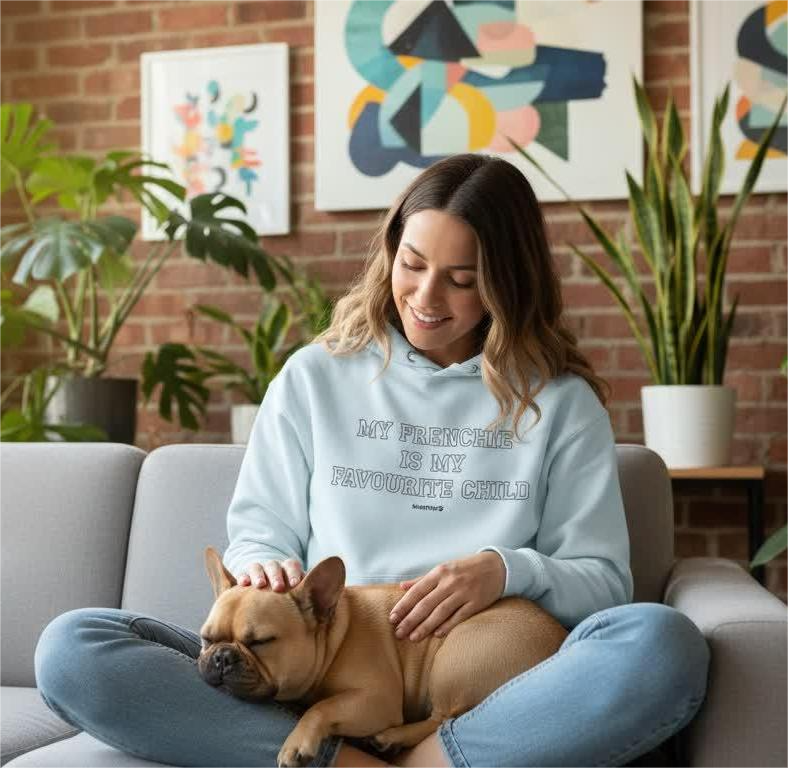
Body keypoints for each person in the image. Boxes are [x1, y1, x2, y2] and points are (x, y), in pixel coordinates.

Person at [34, 153, 710, 768]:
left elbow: (603, 585)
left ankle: (438, 759)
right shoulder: (313, 377)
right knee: (74, 649)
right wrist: (266, 561)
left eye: (460, 280)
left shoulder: (560, 405)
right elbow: (260, 527)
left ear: (507, 283)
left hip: (485, 681)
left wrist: (504, 571)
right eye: (411, 264)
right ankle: (346, 759)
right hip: (302, 673)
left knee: (662, 645)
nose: (423, 297)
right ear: (390, 250)